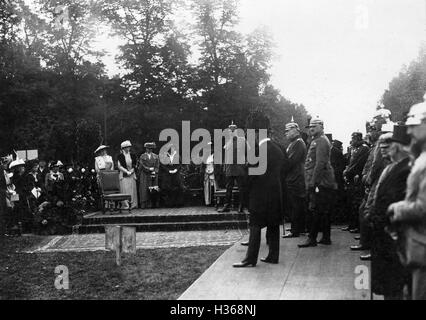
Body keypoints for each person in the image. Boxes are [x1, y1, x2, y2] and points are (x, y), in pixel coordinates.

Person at [233, 110, 284, 267]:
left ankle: (250, 259)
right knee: (273, 225)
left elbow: (250, 176)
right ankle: (273, 256)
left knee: (254, 226)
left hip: (259, 196)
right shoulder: (278, 148)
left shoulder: (257, 151)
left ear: (257, 133)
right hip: (276, 194)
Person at [366, 126, 411, 299]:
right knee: (387, 284)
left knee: (395, 284)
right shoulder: (392, 167)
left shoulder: (406, 170)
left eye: (388, 145)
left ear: (398, 146)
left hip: (394, 237)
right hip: (383, 236)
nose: (382, 149)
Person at [388, 98, 426, 300]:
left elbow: (422, 207)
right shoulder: (420, 157)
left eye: (414, 126)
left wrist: (397, 208)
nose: (409, 132)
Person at [299, 117, 337, 247]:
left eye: (314, 126)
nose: (311, 128)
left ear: (321, 127)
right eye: (310, 127)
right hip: (322, 180)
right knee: (323, 210)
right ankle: (326, 237)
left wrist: (313, 182)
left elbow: (320, 163)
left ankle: (312, 238)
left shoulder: (320, 141)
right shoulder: (318, 140)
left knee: (315, 209)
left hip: (320, 181)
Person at [282, 118, 307, 238]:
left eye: (287, 130)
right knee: (296, 204)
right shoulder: (295, 143)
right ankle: (298, 226)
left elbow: (291, 161)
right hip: (295, 177)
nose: (285, 133)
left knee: (295, 204)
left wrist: (281, 166)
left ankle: (295, 229)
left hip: (296, 177)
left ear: (294, 131)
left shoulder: (298, 143)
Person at [218, 122, 249, 213]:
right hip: (229, 168)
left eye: (233, 131)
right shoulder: (227, 141)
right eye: (230, 131)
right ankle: (226, 206)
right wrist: (224, 167)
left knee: (241, 188)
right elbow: (226, 155)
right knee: (228, 188)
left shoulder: (243, 140)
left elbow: (249, 153)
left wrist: (246, 162)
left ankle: (241, 206)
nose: (231, 133)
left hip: (239, 167)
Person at [342, 132, 370, 233]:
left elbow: (360, 163)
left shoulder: (364, 148)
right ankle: (351, 224)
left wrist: (349, 172)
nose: (352, 140)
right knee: (350, 202)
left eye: (354, 138)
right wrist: (346, 171)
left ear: (359, 138)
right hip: (350, 177)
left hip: (356, 178)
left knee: (356, 203)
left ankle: (357, 226)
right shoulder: (353, 149)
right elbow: (349, 162)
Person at [117, 140, 138, 210]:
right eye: (126, 147)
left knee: (132, 189)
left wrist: (131, 171)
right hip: (124, 175)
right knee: (125, 189)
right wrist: (126, 171)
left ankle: (133, 204)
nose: (128, 149)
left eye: (129, 147)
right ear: (123, 148)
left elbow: (135, 164)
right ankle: (125, 205)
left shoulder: (132, 155)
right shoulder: (120, 156)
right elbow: (119, 166)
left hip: (132, 175)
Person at [138, 142, 160, 209]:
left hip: (153, 174)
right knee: (144, 189)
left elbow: (157, 165)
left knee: (153, 188)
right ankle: (144, 204)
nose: (149, 150)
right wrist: (148, 169)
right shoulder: (142, 156)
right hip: (144, 174)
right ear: (146, 148)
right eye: (148, 148)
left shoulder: (156, 156)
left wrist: (154, 171)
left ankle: (152, 204)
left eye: (151, 148)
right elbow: (142, 165)